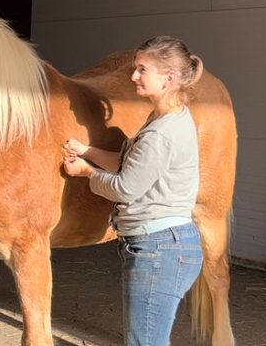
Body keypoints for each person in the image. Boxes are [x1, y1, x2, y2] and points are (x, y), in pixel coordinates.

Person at [63, 35, 204, 346]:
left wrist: (86, 173)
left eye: (142, 70)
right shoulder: (163, 118)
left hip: (159, 249)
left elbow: (125, 188)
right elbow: (130, 163)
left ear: (168, 78)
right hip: (162, 245)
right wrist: (88, 150)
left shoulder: (162, 133)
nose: (133, 76)